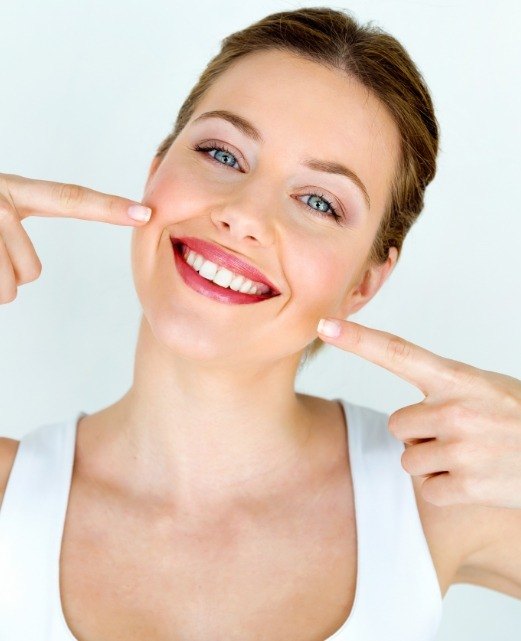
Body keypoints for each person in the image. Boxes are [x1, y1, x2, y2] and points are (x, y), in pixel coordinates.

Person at [1, 7, 520, 641]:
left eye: (319, 201)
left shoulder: (436, 501)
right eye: (222, 152)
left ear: (364, 281)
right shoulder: (9, 501)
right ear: (155, 170)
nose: (244, 214)